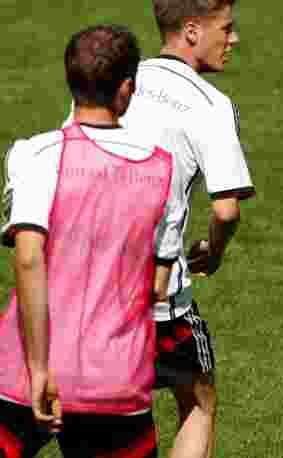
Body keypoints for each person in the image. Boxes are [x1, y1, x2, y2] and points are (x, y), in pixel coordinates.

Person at [0, 25, 177, 457]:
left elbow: (28, 259)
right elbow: (157, 285)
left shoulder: (37, 155)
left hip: (27, 371)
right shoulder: (163, 170)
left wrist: (40, 367)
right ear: (127, 88)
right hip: (115, 378)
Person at [126, 0, 255, 458]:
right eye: (228, 28)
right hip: (160, 292)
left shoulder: (112, 80)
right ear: (193, 31)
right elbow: (226, 208)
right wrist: (214, 251)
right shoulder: (210, 105)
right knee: (198, 398)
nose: (235, 39)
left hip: (89, 285)